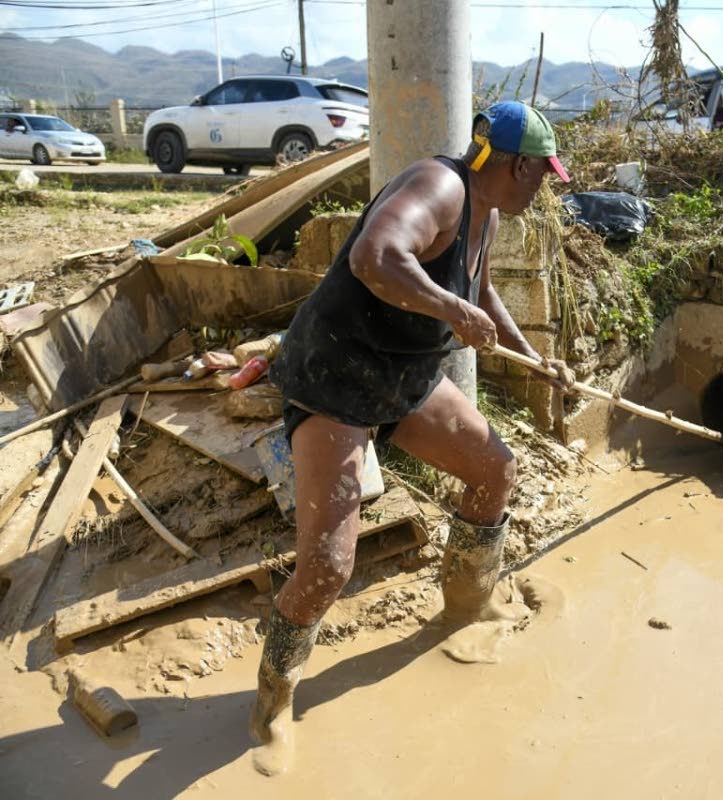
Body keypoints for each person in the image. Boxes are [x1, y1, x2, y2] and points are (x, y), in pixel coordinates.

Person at [248, 101, 574, 774]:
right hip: (338, 374)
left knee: (494, 471)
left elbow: (478, 288)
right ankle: (273, 696)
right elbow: (376, 257)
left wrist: (533, 357)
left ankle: (466, 606)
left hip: (402, 375)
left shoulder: (485, 211)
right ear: (516, 166)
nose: (543, 187)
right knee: (329, 566)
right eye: (542, 174)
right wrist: (451, 309)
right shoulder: (441, 187)